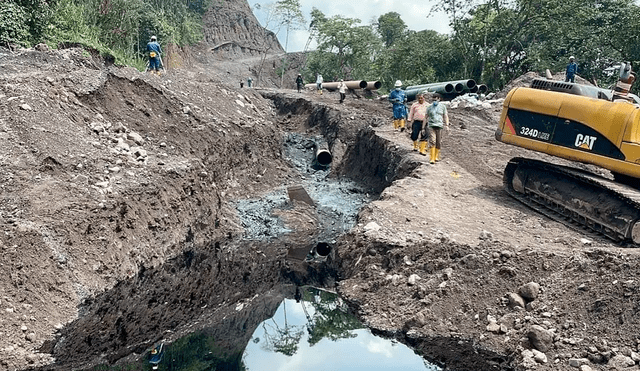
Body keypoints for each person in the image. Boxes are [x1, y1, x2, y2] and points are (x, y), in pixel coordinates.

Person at [425, 93, 449, 164]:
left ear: (439, 99)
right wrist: (423, 127)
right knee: (432, 141)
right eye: (433, 99)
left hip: (439, 126)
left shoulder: (443, 107)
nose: (434, 101)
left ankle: (436, 156)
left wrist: (447, 125)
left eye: (436, 99)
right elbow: (426, 117)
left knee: (438, 142)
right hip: (431, 125)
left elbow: (445, 116)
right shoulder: (429, 107)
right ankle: (431, 158)